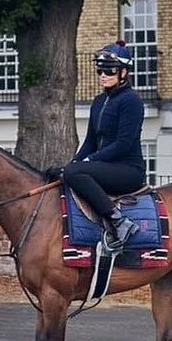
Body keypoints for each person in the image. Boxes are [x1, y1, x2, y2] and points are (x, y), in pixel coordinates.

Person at [61, 40, 146, 249]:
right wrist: (75, 162)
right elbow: (90, 141)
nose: (103, 75)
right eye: (100, 70)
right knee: (67, 171)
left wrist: (90, 160)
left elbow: (124, 144)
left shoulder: (131, 101)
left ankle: (119, 221)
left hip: (128, 170)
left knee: (74, 172)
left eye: (109, 70)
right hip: (103, 166)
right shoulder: (98, 101)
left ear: (124, 72)